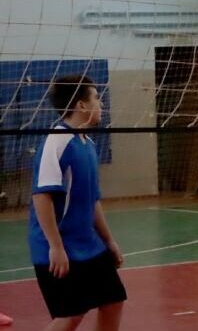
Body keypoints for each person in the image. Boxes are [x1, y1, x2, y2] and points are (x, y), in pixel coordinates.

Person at [28, 75, 126, 331]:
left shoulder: (87, 143)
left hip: (89, 245)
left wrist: (109, 241)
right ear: (81, 105)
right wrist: (56, 247)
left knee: (113, 300)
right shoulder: (57, 141)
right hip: (59, 247)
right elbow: (41, 197)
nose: (101, 103)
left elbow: (92, 201)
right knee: (70, 316)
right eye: (96, 98)